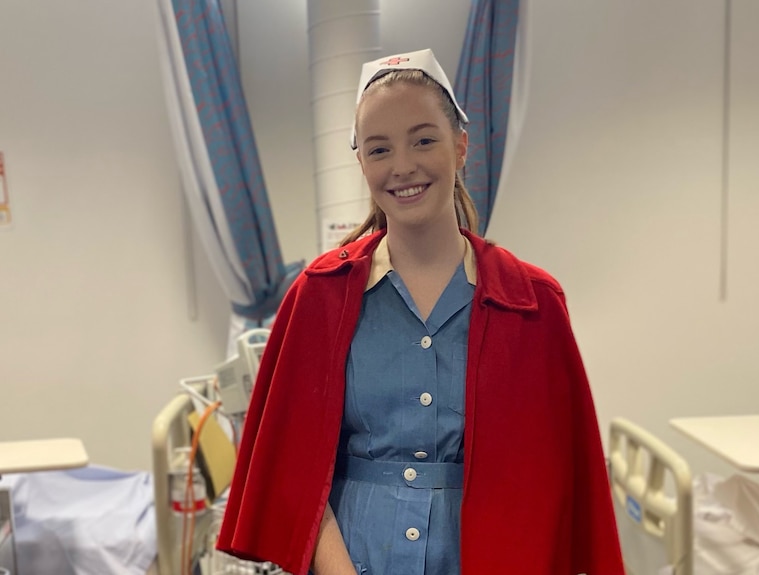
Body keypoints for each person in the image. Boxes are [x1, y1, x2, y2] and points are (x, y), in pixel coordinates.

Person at [217, 48, 624, 575]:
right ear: (361, 162)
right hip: (351, 559)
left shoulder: (531, 304)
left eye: (424, 139)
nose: (403, 166)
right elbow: (294, 464)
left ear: (460, 147)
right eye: (379, 148)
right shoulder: (320, 295)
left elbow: (560, 476)